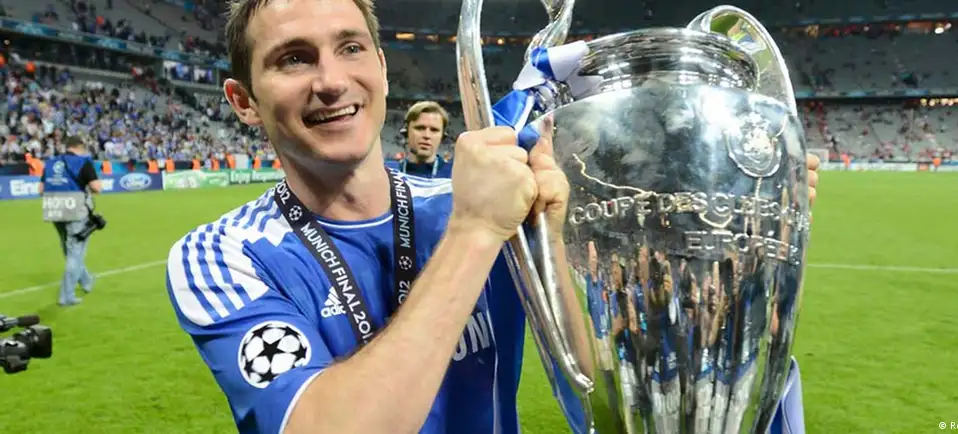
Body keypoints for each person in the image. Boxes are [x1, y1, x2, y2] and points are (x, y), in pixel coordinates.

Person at [164, 1, 822, 434]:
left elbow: (597, 397)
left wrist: (733, 225)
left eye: (351, 48)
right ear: (243, 101)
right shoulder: (220, 256)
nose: (331, 80)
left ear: (382, 68)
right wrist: (474, 231)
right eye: (293, 58)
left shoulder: (483, 203)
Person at [39, 135, 101, 306]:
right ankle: (66, 296)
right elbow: (97, 188)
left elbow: (41, 189)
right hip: (75, 209)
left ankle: (86, 281)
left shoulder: (51, 162)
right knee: (76, 252)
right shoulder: (83, 162)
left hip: (54, 208)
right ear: (79, 147)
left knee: (69, 249)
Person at [385, 100, 453, 178]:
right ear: (406, 132)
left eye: (434, 130)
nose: (427, 136)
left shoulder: (455, 174)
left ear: (442, 136)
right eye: (420, 128)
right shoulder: (387, 172)